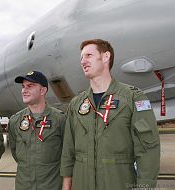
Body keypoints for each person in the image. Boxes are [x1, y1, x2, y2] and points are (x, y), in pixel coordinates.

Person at [60, 39, 160, 190]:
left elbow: (148, 149)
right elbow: (68, 149)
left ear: (106, 56)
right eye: (81, 57)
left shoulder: (133, 98)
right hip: (82, 183)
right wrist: (66, 184)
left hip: (118, 182)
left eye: (88, 55)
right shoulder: (76, 104)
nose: (83, 61)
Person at [8, 71, 66, 190]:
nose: (24, 90)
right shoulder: (15, 121)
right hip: (24, 186)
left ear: (42, 91)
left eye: (30, 86)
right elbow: (14, 151)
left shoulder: (60, 119)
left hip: (52, 186)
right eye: (23, 87)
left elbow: (67, 155)